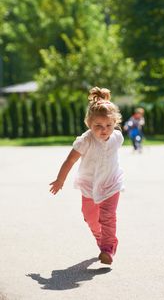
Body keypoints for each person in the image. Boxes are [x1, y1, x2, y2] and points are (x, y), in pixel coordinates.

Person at [49, 87, 124, 265]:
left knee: (107, 216)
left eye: (108, 125)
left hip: (111, 184)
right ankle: (102, 240)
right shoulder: (85, 140)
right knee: (90, 218)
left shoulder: (117, 137)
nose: (104, 130)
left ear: (115, 123)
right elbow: (70, 160)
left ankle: (108, 249)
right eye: (98, 126)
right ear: (89, 123)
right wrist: (60, 179)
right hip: (89, 186)